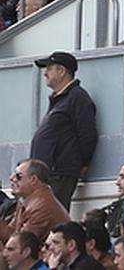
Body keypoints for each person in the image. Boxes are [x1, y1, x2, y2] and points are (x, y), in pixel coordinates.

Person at [30, 50, 97, 208]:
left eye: (49, 68)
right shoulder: (60, 99)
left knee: (52, 217)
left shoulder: (77, 97)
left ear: (61, 71)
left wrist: (83, 162)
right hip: (48, 173)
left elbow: (87, 134)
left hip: (59, 173)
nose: (45, 74)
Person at [0, 158, 69, 244]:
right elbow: (11, 231)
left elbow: (20, 244)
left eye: (18, 176)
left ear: (33, 179)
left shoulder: (42, 208)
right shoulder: (26, 200)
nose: (11, 178)